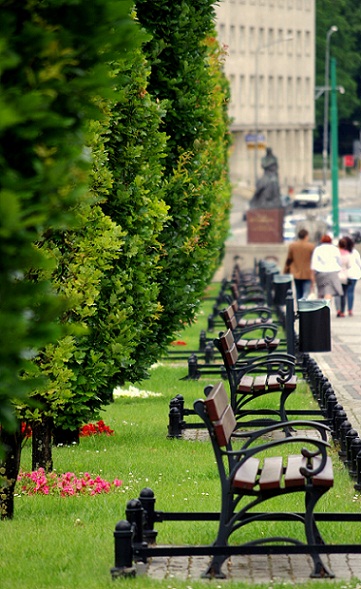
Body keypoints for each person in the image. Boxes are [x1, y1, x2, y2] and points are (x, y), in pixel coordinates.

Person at [283, 228, 315, 300]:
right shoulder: (311, 246)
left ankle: (299, 308)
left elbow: (289, 259)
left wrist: (285, 270)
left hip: (296, 272)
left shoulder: (292, 246)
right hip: (307, 273)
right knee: (306, 292)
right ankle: (304, 305)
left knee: (298, 292)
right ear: (306, 236)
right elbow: (313, 260)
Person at [310, 234, 343, 300]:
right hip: (332, 272)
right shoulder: (335, 249)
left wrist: (312, 275)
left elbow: (313, 263)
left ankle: (320, 307)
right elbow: (339, 261)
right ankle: (327, 307)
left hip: (320, 273)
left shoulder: (318, 249)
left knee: (321, 292)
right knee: (329, 292)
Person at [343, 235, 361, 316]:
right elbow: (359, 263)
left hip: (344, 275)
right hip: (354, 274)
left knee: (343, 293)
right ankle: (350, 309)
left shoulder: (341, 252)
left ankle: (341, 310)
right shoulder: (355, 252)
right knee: (351, 292)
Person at [334, 237, 351, 318]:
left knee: (337, 294)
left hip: (336, 276)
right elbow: (349, 265)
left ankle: (337, 310)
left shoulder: (335, 253)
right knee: (343, 294)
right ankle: (342, 311)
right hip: (344, 276)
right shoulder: (348, 254)